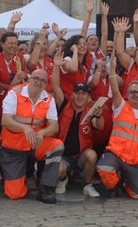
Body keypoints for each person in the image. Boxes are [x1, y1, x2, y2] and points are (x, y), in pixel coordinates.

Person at [96, 17, 138, 199]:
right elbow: (115, 89)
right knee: (105, 168)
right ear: (128, 94)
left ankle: (127, 183)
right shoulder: (121, 105)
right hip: (116, 153)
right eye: (132, 92)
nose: (136, 95)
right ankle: (114, 184)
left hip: (135, 159)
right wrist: (113, 71)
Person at [0, 68, 64, 203]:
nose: (39, 83)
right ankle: (14, 176)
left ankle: (46, 189)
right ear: (29, 79)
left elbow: (54, 126)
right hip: (13, 146)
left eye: (43, 81)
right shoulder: (14, 93)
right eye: (36, 78)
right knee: (14, 194)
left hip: (35, 143)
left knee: (57, 146)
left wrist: (43, 132)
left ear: (46, 84)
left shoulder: (48, 99)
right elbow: (5, 120)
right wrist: (24, 128)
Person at [50, 51, 103, 198]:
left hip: (81, 155)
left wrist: (98, 116)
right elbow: (55, 86)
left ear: (87, 96)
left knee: (92, 155)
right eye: (77, 93)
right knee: (58, 170)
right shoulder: (64, 104)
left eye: (83, 93)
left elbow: (99, 125)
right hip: (64, 155)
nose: (80, 96)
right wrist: (56, 66)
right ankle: (63, 179)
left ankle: (87, 184)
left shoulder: (91, 111)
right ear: (72, 94)